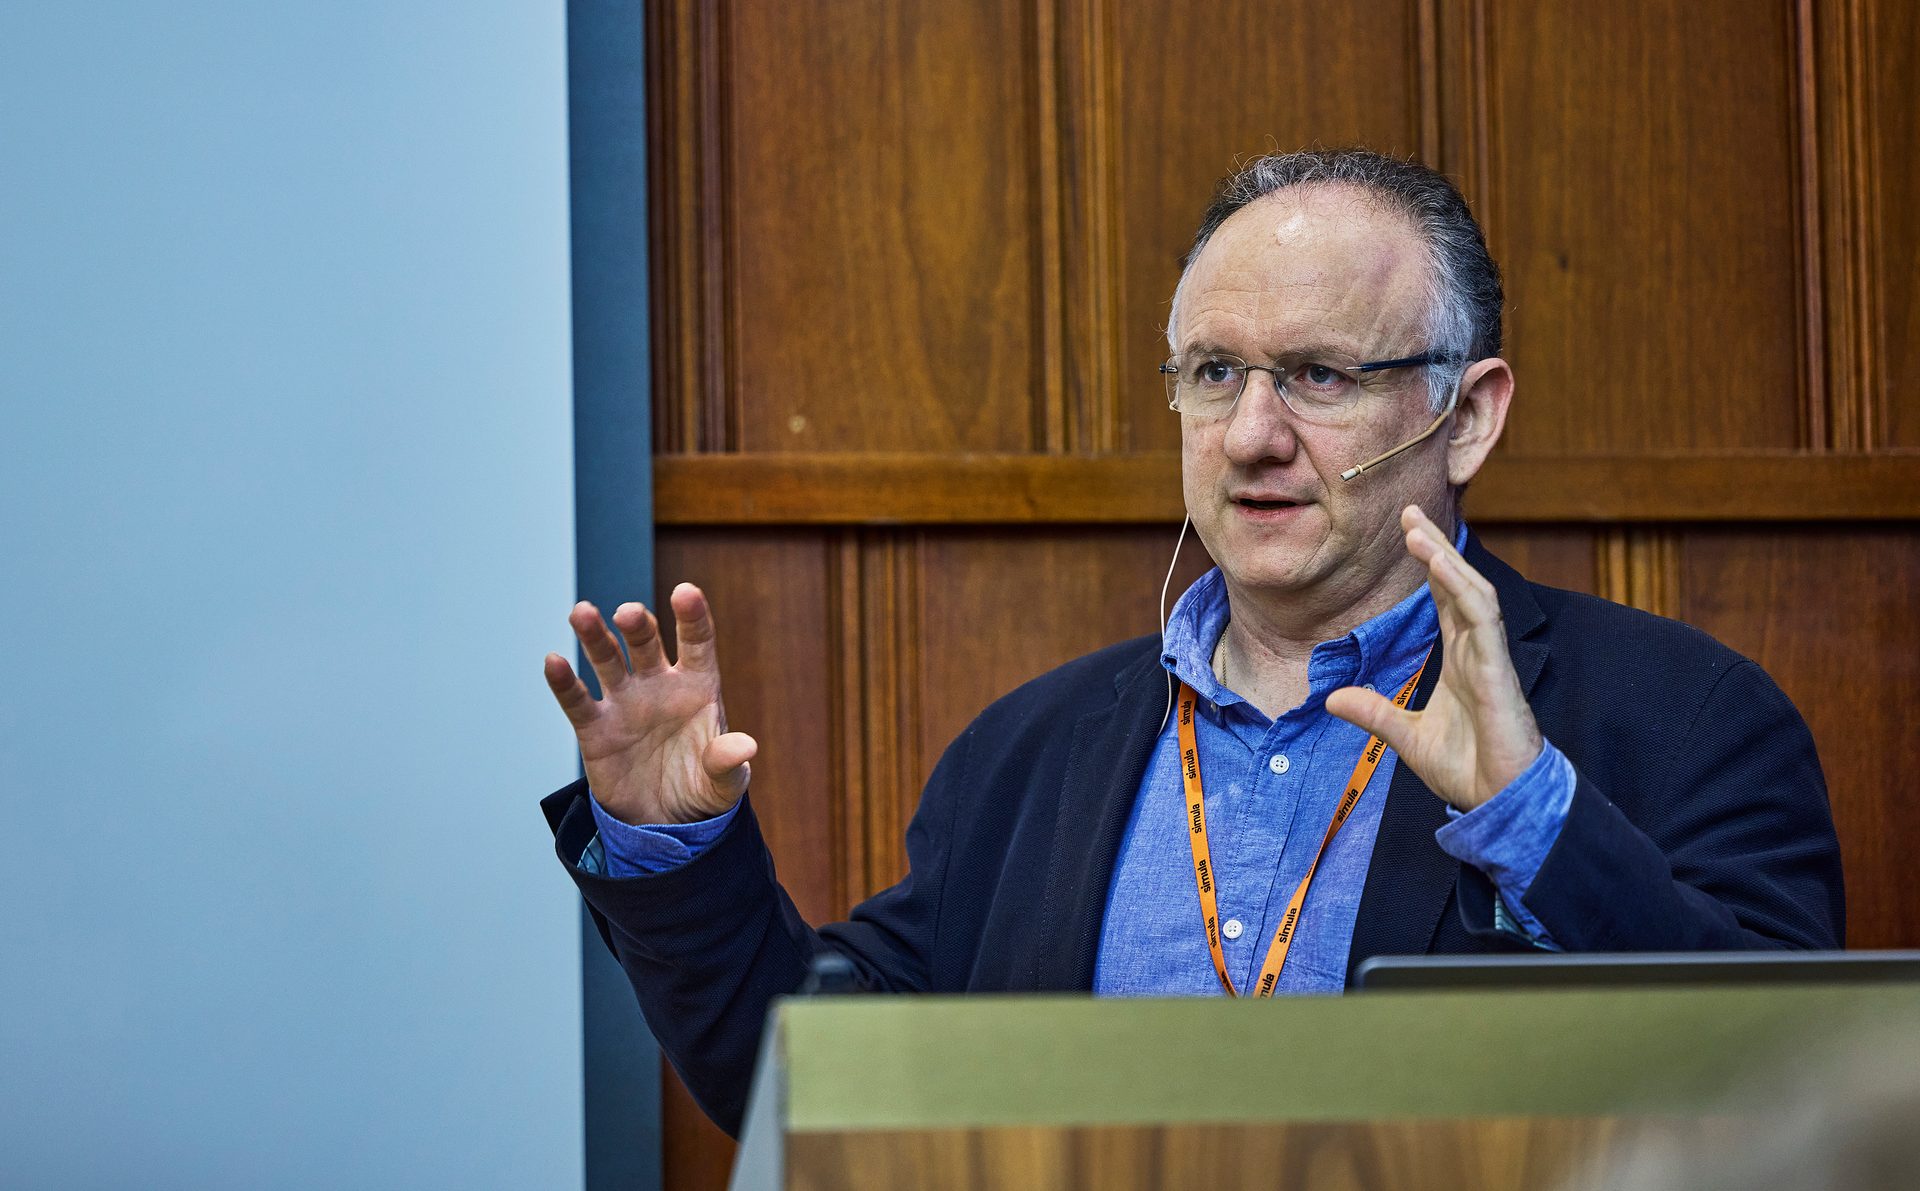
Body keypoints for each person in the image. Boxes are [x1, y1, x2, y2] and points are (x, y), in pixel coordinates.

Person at [539, 149, 1844, 1136]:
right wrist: (679, 850)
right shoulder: (1028, 753)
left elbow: (1796, 1102)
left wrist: (1532, 819)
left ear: (1467, 415)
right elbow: (812, 1088)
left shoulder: (1682, 719)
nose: (1252, 436)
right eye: (1214, 374)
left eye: (1320, 376)